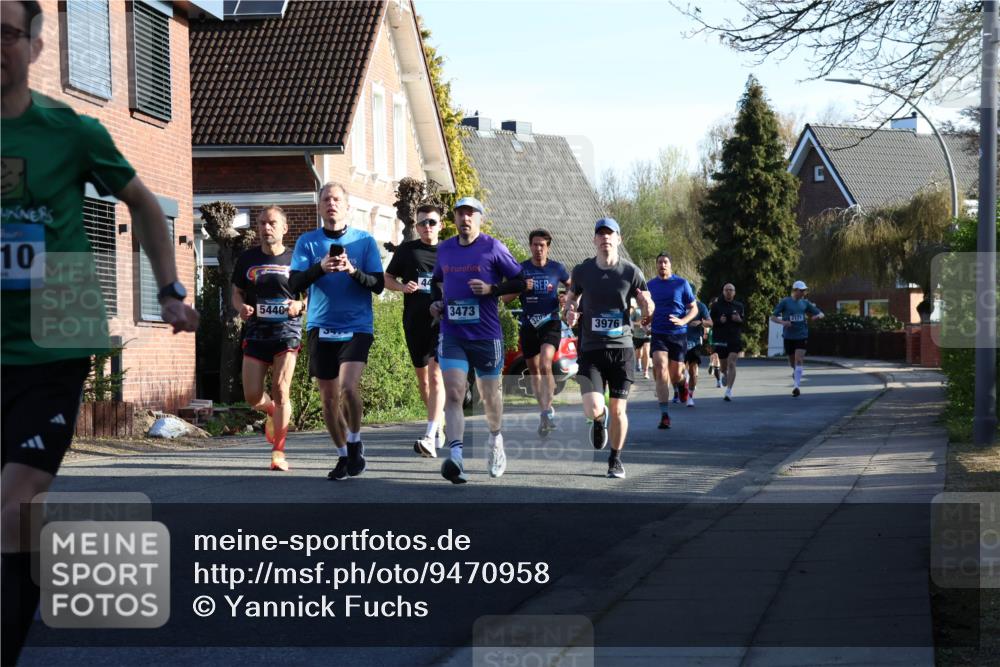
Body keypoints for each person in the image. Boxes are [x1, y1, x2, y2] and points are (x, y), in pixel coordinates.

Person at [1, 2, 199, 663]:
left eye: (7, 32)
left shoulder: (72, 131)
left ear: (34, 44)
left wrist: (168, 287)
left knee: (17, 498)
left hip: (54, 339)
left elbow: (143, 201)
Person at [289, 182, 384, 480]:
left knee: (349, 388)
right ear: (319, 207)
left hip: (356, 326)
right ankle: (344, 455)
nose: (331, 204)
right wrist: (320, 267)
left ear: (347, 207)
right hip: (321, 326)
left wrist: (352, 271)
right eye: (326, 199)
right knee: (328, 400)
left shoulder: (364, 241)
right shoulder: (307, 242)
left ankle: (355, 442)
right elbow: (293, 284)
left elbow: (378, 285)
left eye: (337, 199)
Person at [430, 197, 525, 484]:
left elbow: (521, 281)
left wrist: (491, 288)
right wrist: (435, 304)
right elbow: (437, 283)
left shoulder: (493, 247)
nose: (465, 219)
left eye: (470, 214)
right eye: (460, 214)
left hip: (485, 334)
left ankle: (496, 440)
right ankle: (457, 457)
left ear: (479, 219)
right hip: (452, 333)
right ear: (455, 219)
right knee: (455, 392)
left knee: (488, 395)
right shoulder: (445, 249)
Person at [563, 218, 652, 479]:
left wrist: (647, 307)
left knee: (619, 409)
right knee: (592, 407)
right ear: (594, 240)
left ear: (618, 239)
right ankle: (598, 422)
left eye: (610, 234)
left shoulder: (631, 272)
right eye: (600, 235)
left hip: (621, 349)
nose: (605, 239)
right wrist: (570, 311)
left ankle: (615, 459)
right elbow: (571, 299)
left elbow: (647, 302)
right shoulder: (582, 271)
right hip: (591, 348)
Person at [232, 206, 305, 471]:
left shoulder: (297, 259)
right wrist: (241, 307)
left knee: (281, 388)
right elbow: (236, 292)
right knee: (252, 396)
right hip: (256, 331)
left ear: (284, 228)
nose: (266, 228)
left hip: (287, 331)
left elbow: (310, 294)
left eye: (272, 223)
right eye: (262, 223)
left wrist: (300, 305)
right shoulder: (247, 259)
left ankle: (279, 452)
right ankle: (273, 411)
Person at [385, 202, 445, 457]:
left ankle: (430, 434)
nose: (427, 227)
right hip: (414, 321)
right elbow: (387, 278)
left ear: (440, 225)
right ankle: (438, 422)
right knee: (423, 381)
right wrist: (402, 288)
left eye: (431, 222)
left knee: (435, 376)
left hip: (443, 323)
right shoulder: (407, 251)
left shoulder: (449, 251)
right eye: (422, 223)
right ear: (416, 226)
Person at [501, 229, 570, 437]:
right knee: (534, 370)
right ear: (530, 246)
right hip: (529, 324)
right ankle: (545, 411)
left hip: (550, 322)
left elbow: (572, 287)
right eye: (535, 245)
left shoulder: (557, 268)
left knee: (545, 363)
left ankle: (548, 410)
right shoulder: (521, 269)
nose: (538, 249)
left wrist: (566, 297)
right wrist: (522, 287)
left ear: (547, 247)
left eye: (542, 245)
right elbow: (504, 299)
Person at [646, 253, 697, 429]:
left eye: (665, 262)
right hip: (658, 333)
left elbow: (694, 308)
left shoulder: (682, 284)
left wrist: (683, 321)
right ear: (656, 265)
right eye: (659, 262)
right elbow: (648, 309)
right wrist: (647, 319)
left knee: (675, 375)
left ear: (670, 265)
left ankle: (682, 385)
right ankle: (664, 414)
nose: (662, 265)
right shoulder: (650, 285)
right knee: (660, 369)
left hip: (678, 333)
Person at [771, 280, 824, 397]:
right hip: (789, 336)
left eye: (804, 290)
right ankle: (796, 373)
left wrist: (817, 316)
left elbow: (821, 313)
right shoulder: (785, 302)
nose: (803, 293)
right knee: (792, 362)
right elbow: (773, 317)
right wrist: (783, 322)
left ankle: (796, 386)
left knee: (799, 360)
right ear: (795, 290)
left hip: (801, 335)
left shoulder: (805, 303)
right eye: (801, 291)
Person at [710, 283, 746, 401]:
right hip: (721, 339)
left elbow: (743, 321)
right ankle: (724, 374)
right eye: (726, 290)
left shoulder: (739, 306)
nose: (729, 292)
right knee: (723, 366)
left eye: (731, 290)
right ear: (723, 292)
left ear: (734, 292)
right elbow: (710, 322)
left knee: (732, 363)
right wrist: (719, 321)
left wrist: (738, 319)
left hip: (734, 338)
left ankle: (729, 390)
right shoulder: (716, 306)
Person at [683, 291, 711, 407]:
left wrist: (701, 322)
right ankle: (680, 388)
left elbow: (710, 322)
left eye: (691, 296)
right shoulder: (678, 304)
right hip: (679, 342)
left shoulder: (701, 306)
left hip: (694, 342)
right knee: (678, 373)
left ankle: (690, 397)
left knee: (693, 371)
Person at [630, 298, 651, 379]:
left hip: (647, 335)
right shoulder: (636, 311)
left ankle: (645, 372)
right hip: (637, 335)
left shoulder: (650, 310)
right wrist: (638, 323)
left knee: (646, 352)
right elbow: (630, 322)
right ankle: (638, 362)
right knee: (639, 353)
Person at [706, 297, 722, 387]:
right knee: (715, 356)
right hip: (713, 336)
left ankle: (712, 365)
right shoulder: (709, 312)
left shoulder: (723, 311)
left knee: (717, 357)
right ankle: (718, 381)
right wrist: (706, 332)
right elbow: (706, 323)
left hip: (722, 336)